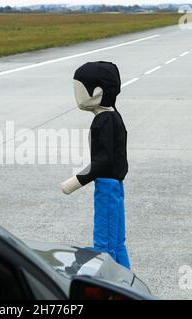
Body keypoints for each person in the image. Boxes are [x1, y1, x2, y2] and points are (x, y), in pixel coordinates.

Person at [61, 61, 130, 269]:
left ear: (96, 92)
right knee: (117, 242)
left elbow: (103, 161)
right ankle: (126, 282)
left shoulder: (104, 120)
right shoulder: (112, 116)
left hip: (107, 188)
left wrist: (75, 181)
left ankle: (109, 287)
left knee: (105, 244)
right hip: (115, 186)